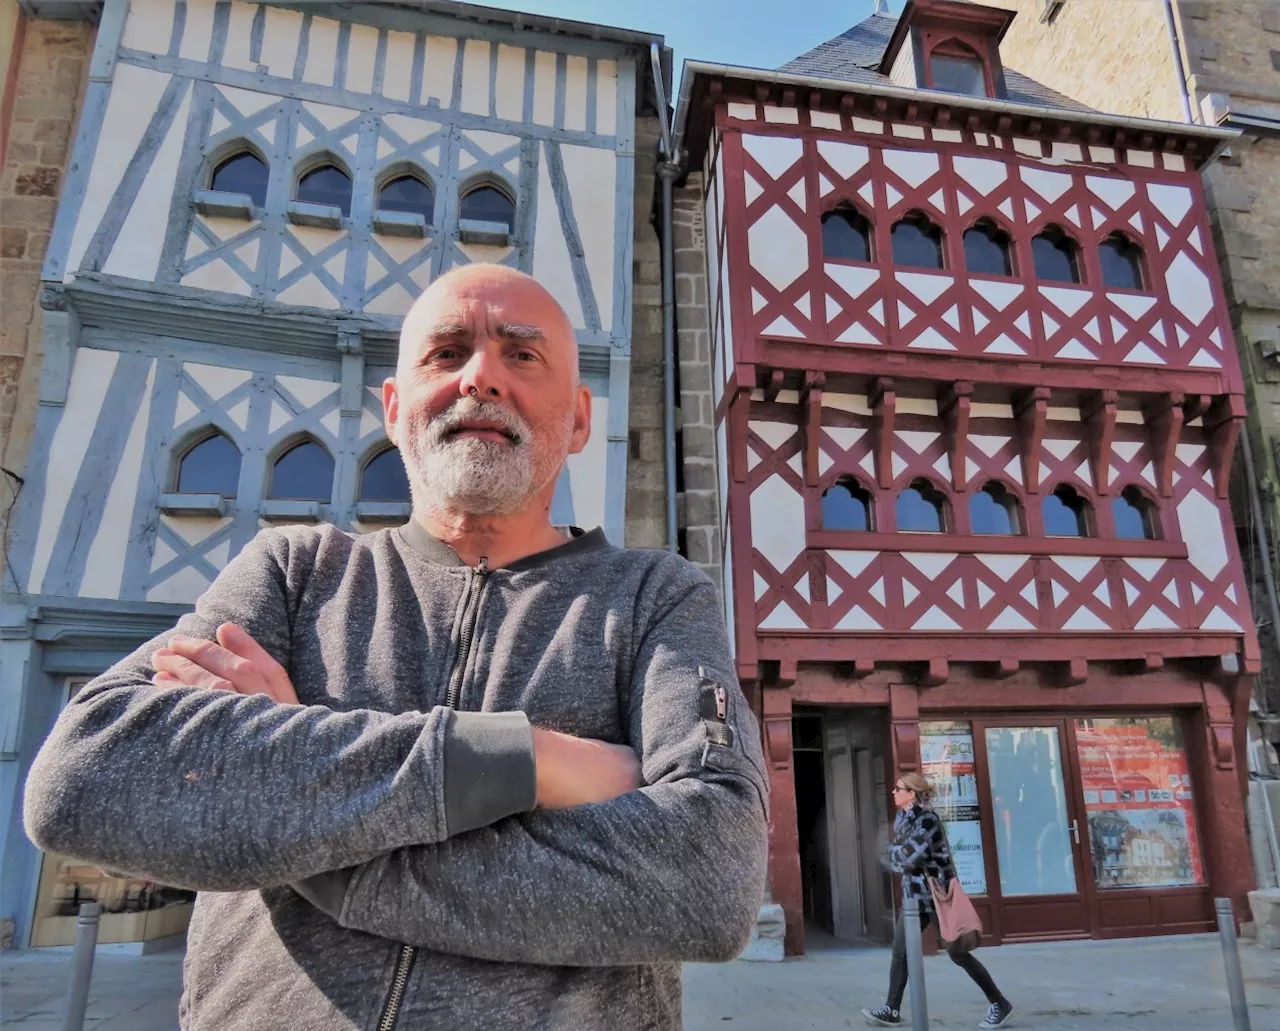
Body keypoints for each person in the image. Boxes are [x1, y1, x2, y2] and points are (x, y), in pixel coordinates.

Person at [24, 264, 770, 1031]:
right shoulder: (292, 573)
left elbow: (711, 879)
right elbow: (83, 775)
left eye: (522, 354)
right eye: (446, 353)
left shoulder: (658, 595)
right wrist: (527, 760)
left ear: (579, 419)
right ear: (393, 406)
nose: (480, 376)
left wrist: (298, 805)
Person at [861, 772, 1013, 1030]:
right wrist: (898, 855)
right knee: (900, 952)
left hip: (936, 896)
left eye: (898, 789)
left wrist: (893, 853)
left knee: (958, 953)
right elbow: (902, 856)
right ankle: (891, 1009)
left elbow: (908, 857)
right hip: (913, 899)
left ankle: (1000, 1003)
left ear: (912, 793)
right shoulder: (903, 818)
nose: (893, 792)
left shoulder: (927, 819)